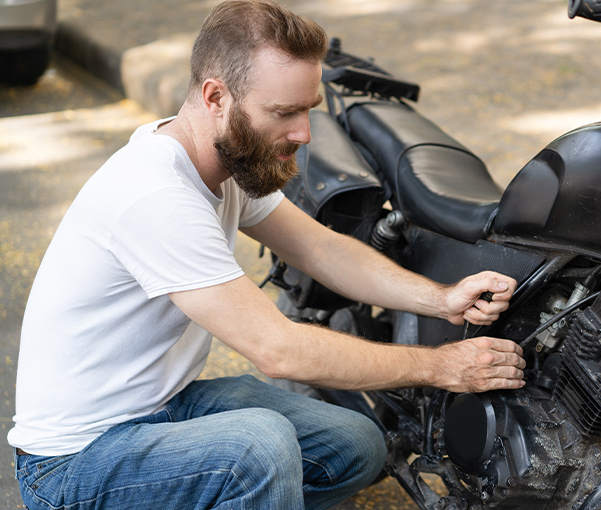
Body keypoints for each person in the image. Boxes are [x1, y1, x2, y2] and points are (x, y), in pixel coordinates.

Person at [8, 1, 526, 508]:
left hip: (164, 408)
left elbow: (319, 248)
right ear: (216, 97)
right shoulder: (155, 196)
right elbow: (278, 350)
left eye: (307, 110)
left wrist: (441, 299)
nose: (302, 133)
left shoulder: (224, 158)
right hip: (73, 464)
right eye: (284, 112)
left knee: (355, 444)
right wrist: (439, 367)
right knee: (258, 450)